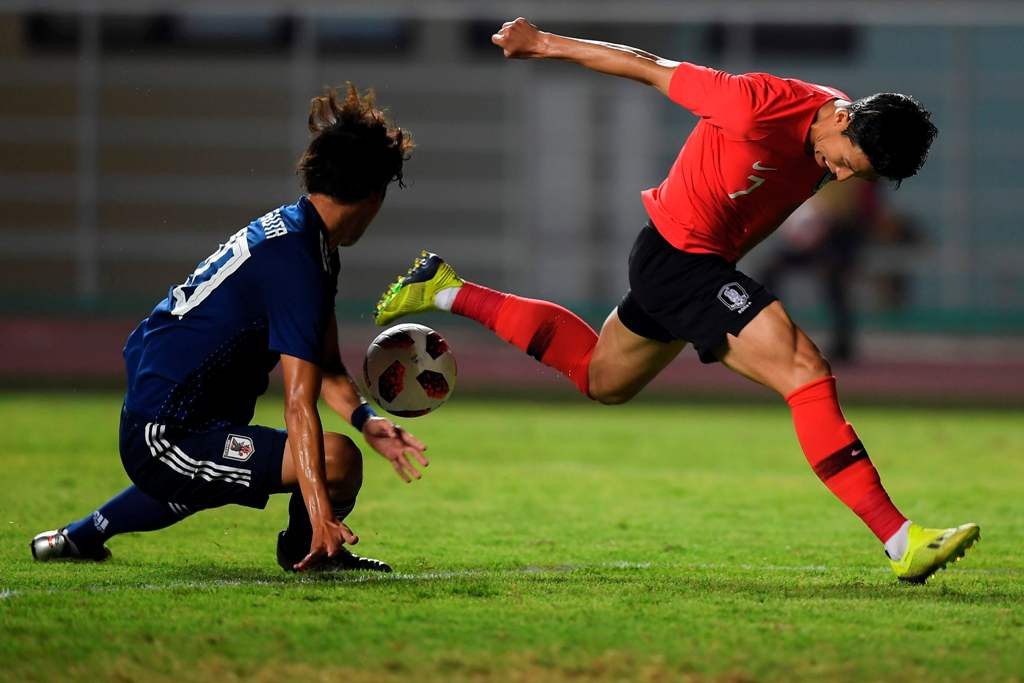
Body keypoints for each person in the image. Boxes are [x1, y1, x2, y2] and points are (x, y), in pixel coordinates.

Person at [374, 18, 978, 583]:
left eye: (857, 177)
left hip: (686, 264)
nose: (841, 179)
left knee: (600, 378)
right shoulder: (755, 103)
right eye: (848, 165)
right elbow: (648, 65)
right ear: (844, 121)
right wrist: (543, 43)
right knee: (805, 371)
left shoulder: (837, 129)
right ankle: (902, 541)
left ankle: (444, 287)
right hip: (683, 259)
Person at [32, 84, 428, 573]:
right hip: (168, 427)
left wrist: (369, 422)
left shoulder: (307, 239)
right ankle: (314, 547)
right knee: (336, 462)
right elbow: (298, 402)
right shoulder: (299, 263)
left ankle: (80, 536)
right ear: (372, 195)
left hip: (190, 410)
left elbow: (326, 368)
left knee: (218, 475)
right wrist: (323, 514)